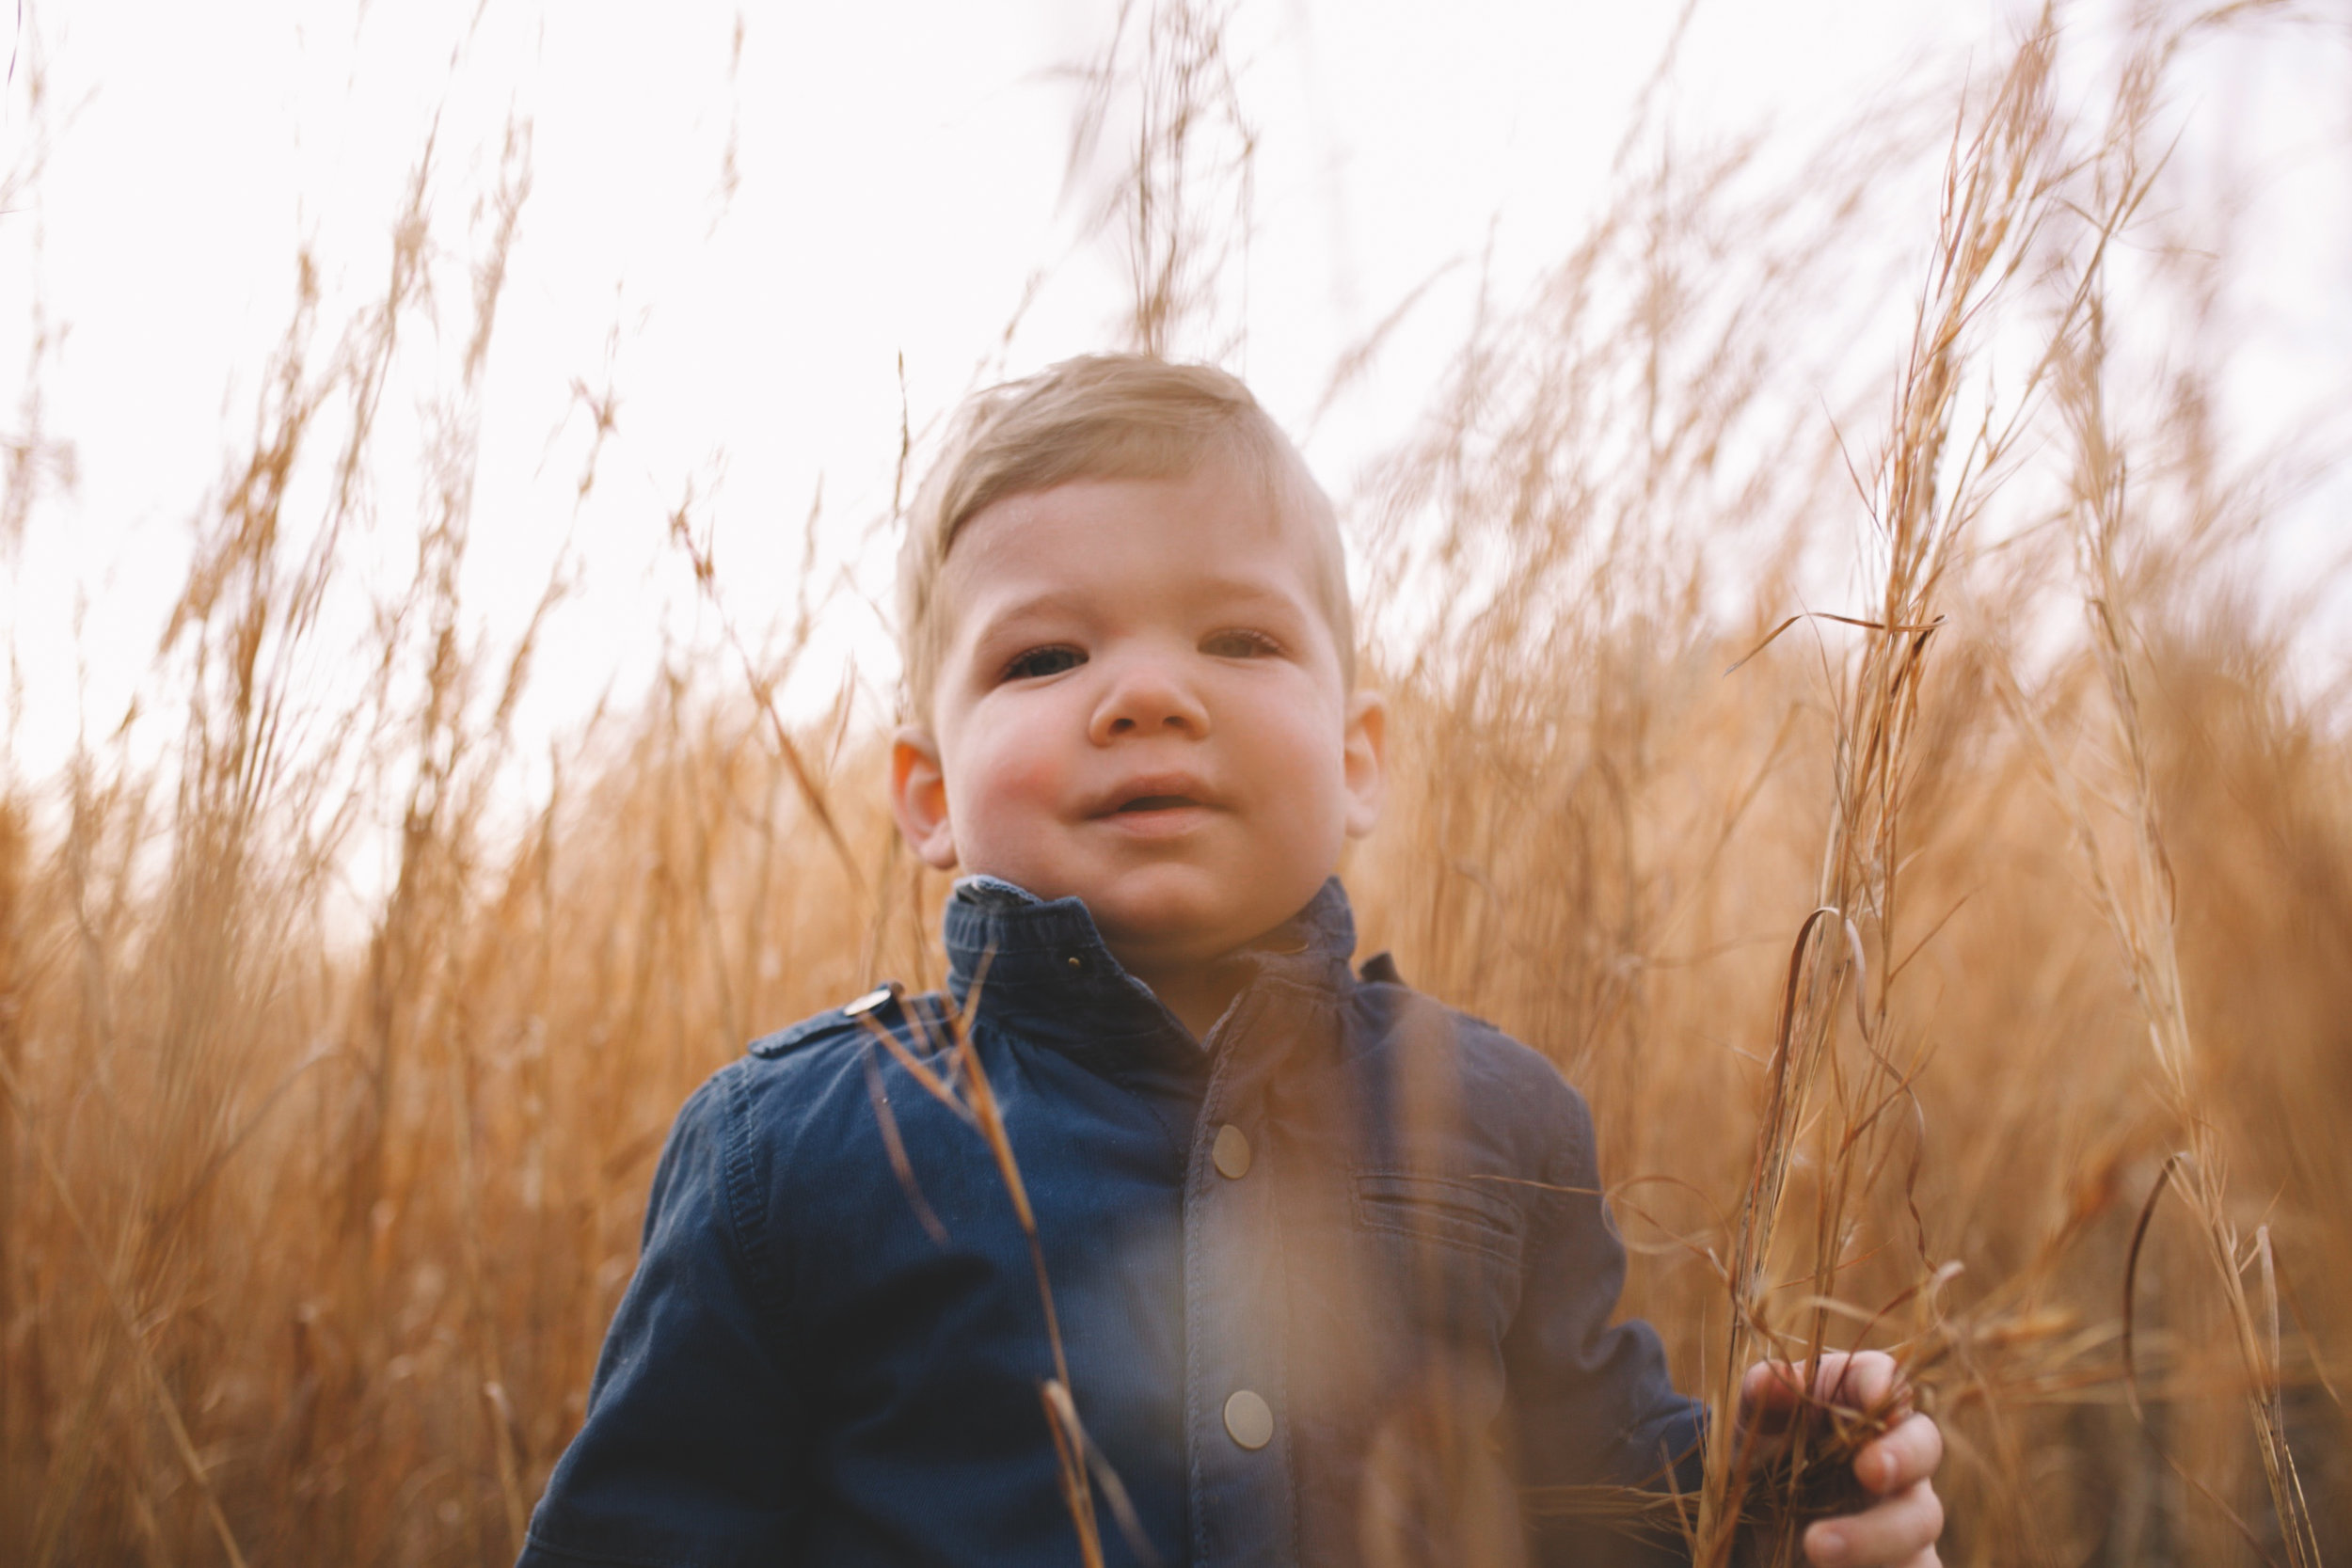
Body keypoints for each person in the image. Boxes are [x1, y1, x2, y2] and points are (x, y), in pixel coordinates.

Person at [517, 356, 1946, 1567]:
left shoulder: (1495, 1120)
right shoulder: (795, 1154)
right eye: (1045, 658)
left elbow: (1594, 1515)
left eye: (1238, 637)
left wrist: (1764, 1520)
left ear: (1356, 757)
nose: (1147, 693)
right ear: (929, 794)